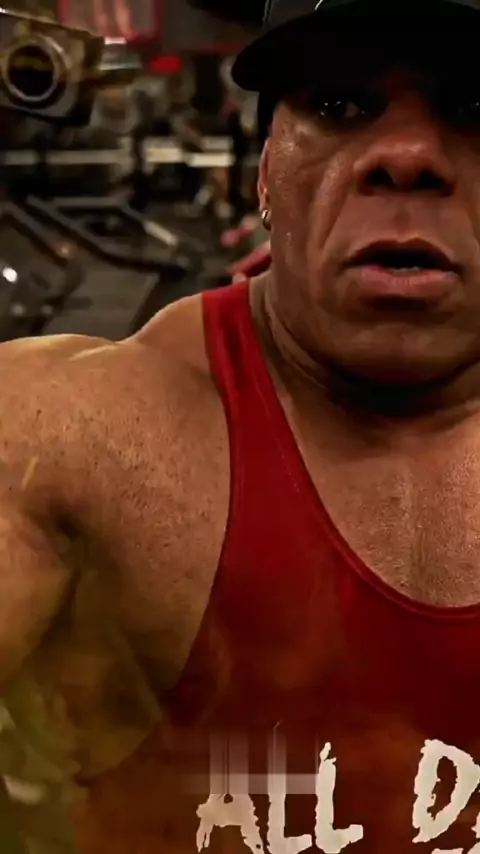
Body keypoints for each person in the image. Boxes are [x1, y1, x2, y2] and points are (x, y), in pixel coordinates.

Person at [3, 0, 480, 851]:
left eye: (476, 106)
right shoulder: (70, 434)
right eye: (337, 104)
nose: (406, 154)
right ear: (265, 176)